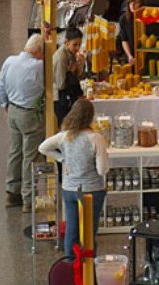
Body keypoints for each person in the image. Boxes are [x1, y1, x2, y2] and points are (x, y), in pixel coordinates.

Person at [38, 98, 108, 259]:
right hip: (92, 190)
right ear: (90, 116)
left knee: (72, 229)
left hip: (69, 189)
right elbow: (102, 169)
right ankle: (88, 270)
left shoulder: (64, 136)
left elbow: (42, 148)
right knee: (89, 233)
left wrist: (62, 158)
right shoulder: (96, 138)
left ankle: (71, 266)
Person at [0, 34, 45, 212]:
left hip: (13, 111)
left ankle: (12, 192)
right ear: (39, 52)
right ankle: (28, 199)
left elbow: (0, 86)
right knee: (30, 156)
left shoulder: (10, 61)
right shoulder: (39, 66)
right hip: (30, 115)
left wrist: (5, 105)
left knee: (15, 152)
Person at [52, 27, 86, 126]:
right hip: (60, 99)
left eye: (79, 45)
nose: (77, 48)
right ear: (66, 42)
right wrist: (71, 70)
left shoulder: (71, 54)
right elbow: (61, 84)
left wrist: (81, 64)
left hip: (67, 97)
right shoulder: (61, 57)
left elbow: (78, 76)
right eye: (75, 45)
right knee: (65, 127)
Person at [118, 0, 145, 66]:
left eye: (136, 2)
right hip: (131, 51)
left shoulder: (145, 18)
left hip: (144, 51)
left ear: (141, 5)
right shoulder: (123, 19)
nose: (132, 5)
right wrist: (130, 56)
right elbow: (124, 40)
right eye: (131, 2)